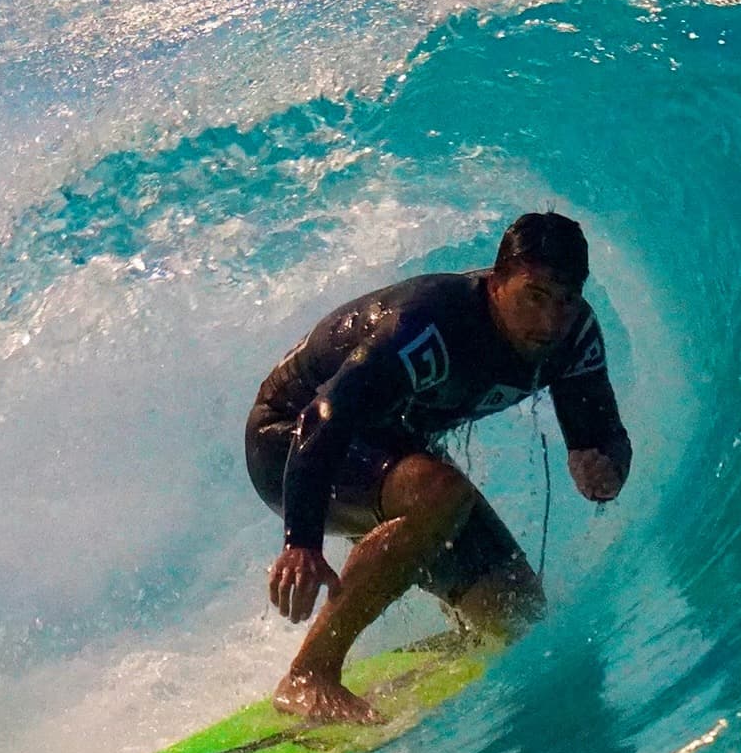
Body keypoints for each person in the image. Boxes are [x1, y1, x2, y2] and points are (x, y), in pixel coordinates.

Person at [244, 211, 633, 723]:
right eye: (534, 296)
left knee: (521, 618)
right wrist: (302, 542)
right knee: (438, 495)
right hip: (289, 439)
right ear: (497, 284)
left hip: (384, 442)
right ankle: (308, 675)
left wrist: (605, 467)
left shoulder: (574, 336)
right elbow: (325, 416)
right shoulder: (430, 324)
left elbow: (602, 435)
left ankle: (420, 659)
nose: (550, 321)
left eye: (565, 301)